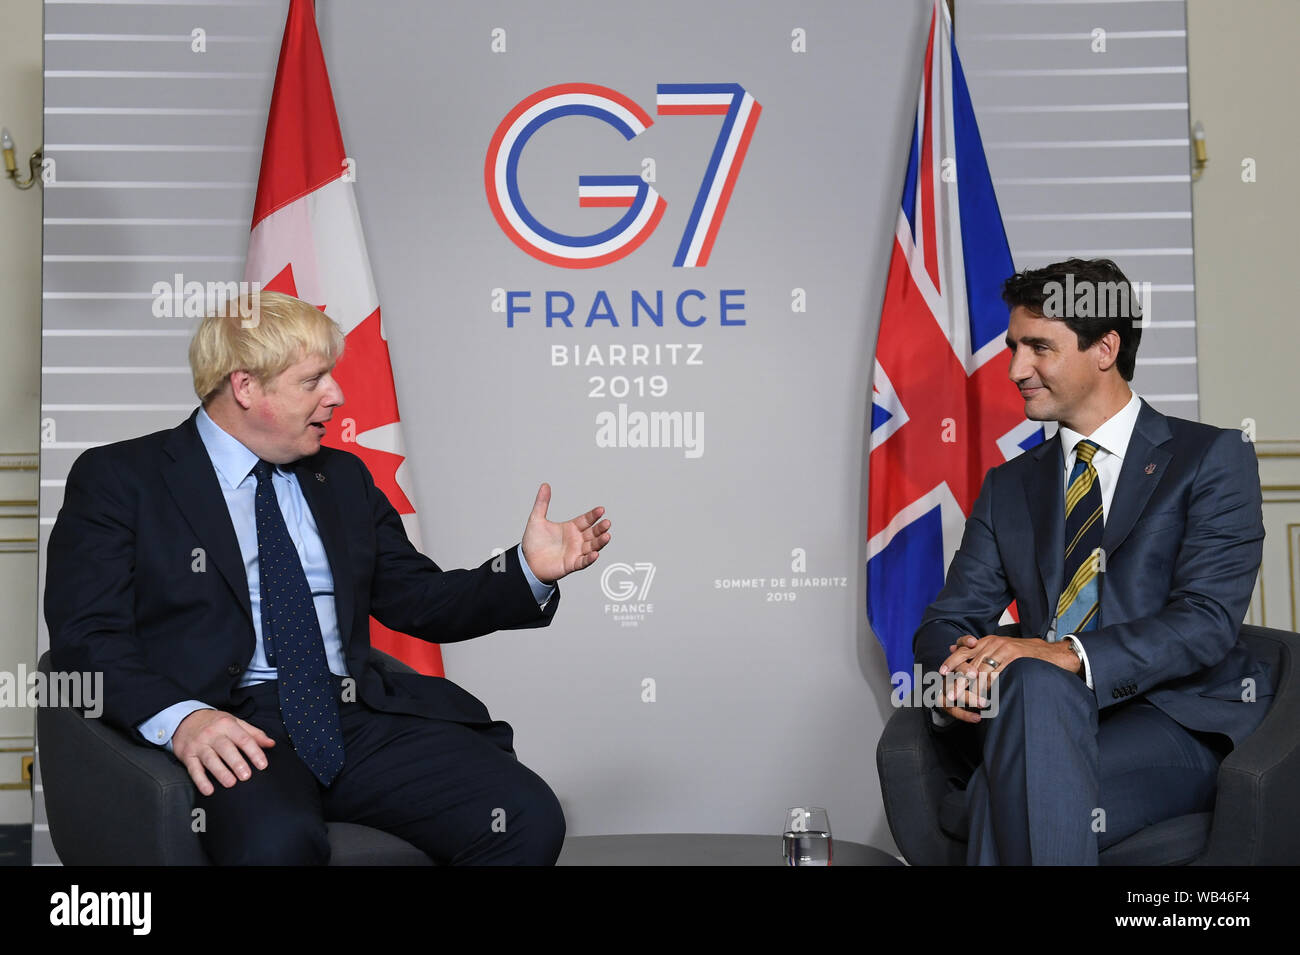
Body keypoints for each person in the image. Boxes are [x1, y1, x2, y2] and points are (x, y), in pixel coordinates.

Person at [45, 291, 611, 865]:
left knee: (524, 815)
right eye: (313, 380)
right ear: (246, 387)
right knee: (276, 846)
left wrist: (524, 571)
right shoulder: (121, 478)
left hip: (352, 714)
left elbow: (419, 600)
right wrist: (186, 719)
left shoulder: (342, 477)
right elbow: (87, 637)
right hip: (233, 725)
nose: (336, 396)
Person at [913, 258, 1271, 865]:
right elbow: (947, 620)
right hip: (1036, 713)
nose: (1015, 369)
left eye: (1038, 348)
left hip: (1171, 719)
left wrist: (1066, 653)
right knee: (1029, 699)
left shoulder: (1210, 457)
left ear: (1105, 348)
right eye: (1013, 348)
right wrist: (957, 670)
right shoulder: (1009, 487)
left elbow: (1206, 620)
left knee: (996, 793)